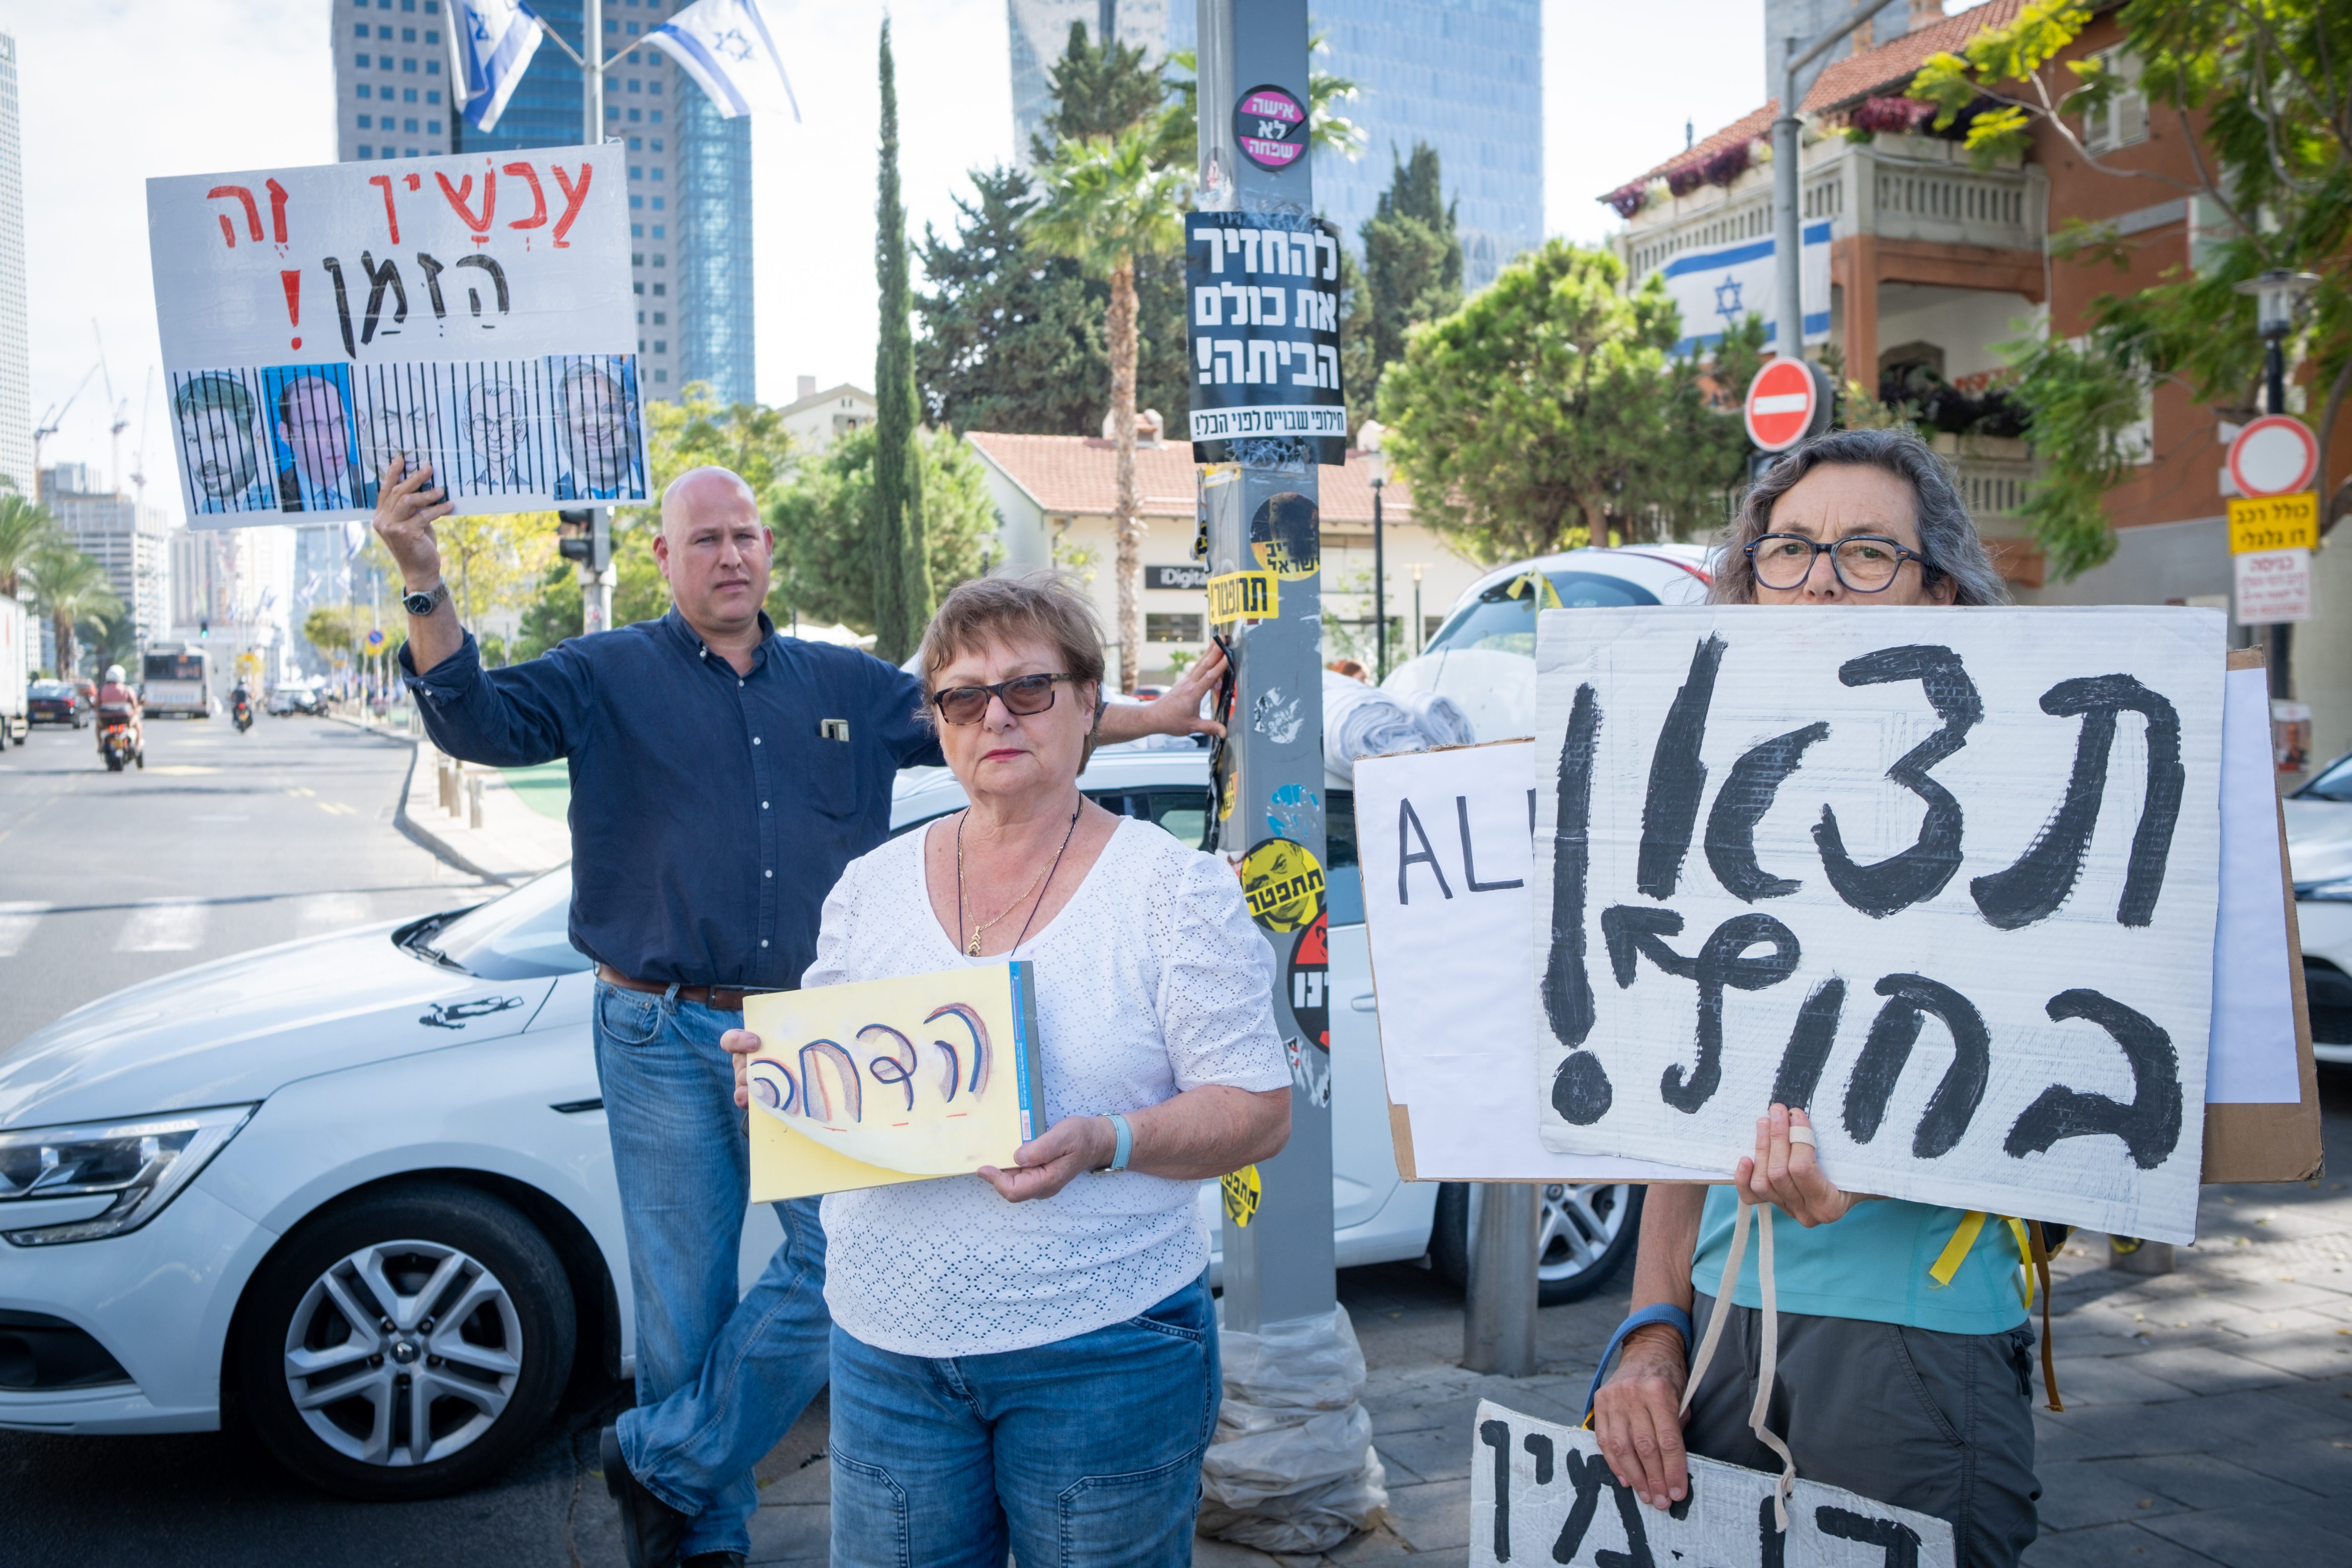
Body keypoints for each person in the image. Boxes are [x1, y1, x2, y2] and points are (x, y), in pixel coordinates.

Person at [374, 456, 1229, 1568]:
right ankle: (698, 1545)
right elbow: (475, 723)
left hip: (823, 1037)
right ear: (664, 557)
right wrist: (424, 578)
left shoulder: (846, 686)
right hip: (660, 1028)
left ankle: (668, 1460)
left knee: (841, 1261)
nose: (731, 556)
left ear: (767, 550)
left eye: (745, 536)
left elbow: (1009, 705)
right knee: (681, 1311)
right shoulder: (604, 673)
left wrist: (1147, 717)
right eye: (705, 540)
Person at [721, 573, 1292, 1568]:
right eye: (963, 695)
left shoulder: (1171, 890)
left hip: (1103, 1351)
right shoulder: (870, 887)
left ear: (1086, 705)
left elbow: (1258, 1112)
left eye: (1029, 688)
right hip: (885, 1351)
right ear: (938, 722)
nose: (997, 716)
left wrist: (1111, 1141)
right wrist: (782, 1088)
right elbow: (836, 1094)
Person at [1591, 427, 2040, 1567]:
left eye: (1866, 551)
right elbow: (1669, 1096)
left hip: (1912, 1342)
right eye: (1787, 549)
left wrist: (1898, 1163)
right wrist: (1650, 1327)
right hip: (1714, 1333)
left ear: (1938, 590)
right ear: (1750, 582)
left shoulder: (2022, 803)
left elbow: (2071, 1109)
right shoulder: (1701, 793)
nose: (1821, 578)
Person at [273, 368, 377, 512]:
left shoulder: (376, 484)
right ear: (286, 434)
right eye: (316, 427)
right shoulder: (271, 495)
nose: (334, 441)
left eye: (341, 421)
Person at [174, 372, 276, 513]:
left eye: (220, 437)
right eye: (193, 440)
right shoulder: (206, 509)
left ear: (257, 439)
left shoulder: (273, 499)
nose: (204, 458)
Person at [553, 357, 646, 501]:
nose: (599, 422)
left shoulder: (655, 484)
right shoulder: (554, 495)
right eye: (583, 413)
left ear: (627, 412)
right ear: (561, 420)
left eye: (608, 410)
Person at [94, 663, 141, 760]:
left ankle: (100, 745)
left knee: (98, 728)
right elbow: (135, 706)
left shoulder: (102, 690)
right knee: (138, 725)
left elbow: (96, 707)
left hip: (106, 722)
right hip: (125, 722)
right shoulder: (127, 690)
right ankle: (138, 746)